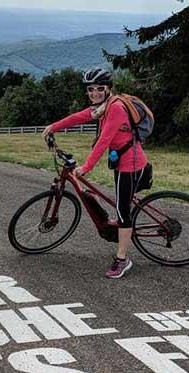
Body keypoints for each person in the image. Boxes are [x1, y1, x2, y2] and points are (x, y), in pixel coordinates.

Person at [42, 67, 151, 279]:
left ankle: (122, 259)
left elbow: (105, 140)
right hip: (123, 162)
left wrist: (86, 168)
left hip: (132, 164)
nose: (95, 93)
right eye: (91, 89)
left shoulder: (116, 108)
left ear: (108, 89)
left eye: (100, 89)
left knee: (122, 213)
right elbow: (80, 117)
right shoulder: (102, 107)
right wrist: (54, 126)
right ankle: (122, 232)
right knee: (122, 204)